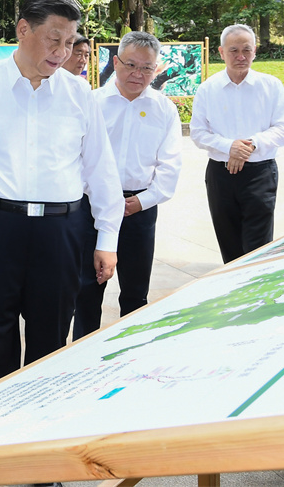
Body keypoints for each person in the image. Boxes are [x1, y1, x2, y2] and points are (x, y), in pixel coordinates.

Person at [0, 0, 124, 394]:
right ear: (23, 30)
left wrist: (107, 238)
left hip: (61, 231)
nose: (63, 52)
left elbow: (100, 170)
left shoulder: (79, 95)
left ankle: (37, 429)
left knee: (51, 337)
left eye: (71, 41)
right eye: (53, 39)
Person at [72, 31, 182, 340]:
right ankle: (82, 352)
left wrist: (144, 200)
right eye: (131, 65)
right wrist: (101, 200)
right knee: (86, 289)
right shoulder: (92, 103)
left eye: (147, 68)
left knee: (135, 292)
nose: (138, 74)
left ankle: (132, 351)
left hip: (139, 209)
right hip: (91, 209)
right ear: (116, 62)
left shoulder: (164, 109)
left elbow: (170, 165)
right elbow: (75, 159)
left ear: (155, 69)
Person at [190, 24, 284, 264]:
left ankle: (257, 293)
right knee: (229, 243)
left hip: (260, 173)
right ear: (220, 52)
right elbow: (198, 132)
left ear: (255, 51)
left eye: (247, 50)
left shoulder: (271, 85)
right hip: (221, 175)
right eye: (233, 50)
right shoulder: (208, 89)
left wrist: (249, 145)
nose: (241, 56)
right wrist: (229, 147)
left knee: (258, 246)